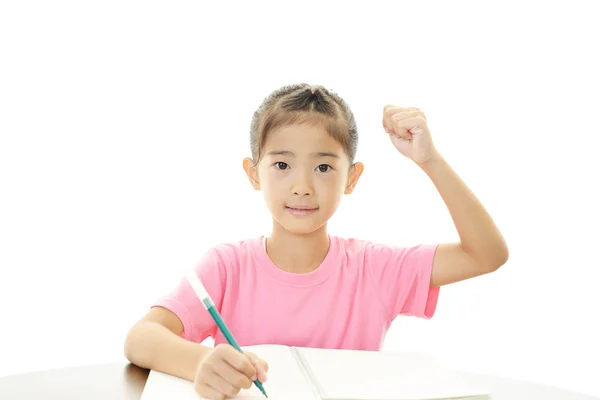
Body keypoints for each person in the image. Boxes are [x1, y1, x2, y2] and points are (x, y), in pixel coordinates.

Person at [124, 83, 509, 399]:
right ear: (253, 172)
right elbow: (141, 338)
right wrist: (200, 364)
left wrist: (430, 161)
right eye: (282, 165)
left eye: (323, 167)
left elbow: (486, 254)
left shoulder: (374, 268)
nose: (303, 187)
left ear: (352, 178)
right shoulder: (226, 266)